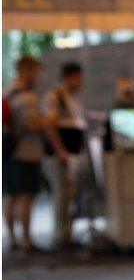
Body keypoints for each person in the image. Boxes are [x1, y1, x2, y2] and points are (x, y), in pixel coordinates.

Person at [41, 62, 87, 250]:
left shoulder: (70, 98)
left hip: (71, 154)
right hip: (59, 155)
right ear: (70, 77)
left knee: (68, 194)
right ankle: (61, 236)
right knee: (62, 194)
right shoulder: (55, 96)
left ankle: (67, 233)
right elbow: (49, 124)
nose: (81, 83)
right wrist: (60, 150)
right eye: (79, 79)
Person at [3, 57, 44, 252]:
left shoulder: (8, 92)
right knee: (26, 196)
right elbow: (31, 123)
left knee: (11, 195)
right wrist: (49, 123)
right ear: (26, 70)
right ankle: (26, 240)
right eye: (36, 71)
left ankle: (13, 239)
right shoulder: (26, 96)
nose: (38, 76)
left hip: (9, 151)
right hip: (26, 152)